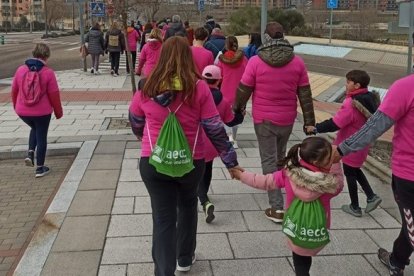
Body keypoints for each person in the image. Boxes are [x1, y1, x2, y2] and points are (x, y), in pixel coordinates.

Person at [128, 36, 241, 276]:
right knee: (188, 205)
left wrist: (143, 137)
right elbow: (214, 128)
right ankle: (184, 258)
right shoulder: (198, 87)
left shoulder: (146, 87)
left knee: (163, 217)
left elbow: (136, 121)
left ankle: (164, 270)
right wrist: (230, 161)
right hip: (190, 162)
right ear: (188, 58)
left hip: (153, 162)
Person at [233, 21, 315, 224]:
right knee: (281, 157)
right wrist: (309, 122)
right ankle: (283, 191)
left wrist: (237, 108)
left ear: (266, 38)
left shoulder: (255, 62)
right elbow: (305, 93)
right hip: (287, 119)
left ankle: (278, 207)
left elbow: (244, 88)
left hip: (264, 119)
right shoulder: (297, 62)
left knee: (268, 159)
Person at [335, 73, 414, 276]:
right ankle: (397, 261)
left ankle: (396, 261)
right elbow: (375, 125)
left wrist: (342, 149)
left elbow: (375, 126)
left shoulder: (405, 86)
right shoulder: (406, 87)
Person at [233, 137, 343, 276]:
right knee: (306, 256)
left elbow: (265, 181)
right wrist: (336, 164)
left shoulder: (289, 173)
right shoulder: (328, 183)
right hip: (317, 226)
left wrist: (242, 176)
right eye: (329, 157)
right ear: (316, 162)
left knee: (299, 257)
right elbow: (339, 185)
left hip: (295, 225)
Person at [306, 70, 382, 217]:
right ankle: (371, 196)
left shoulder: (352, 103)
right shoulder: (369, 98)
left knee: (350, 174)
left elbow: (336, 123)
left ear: (357, 85)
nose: (345, 84)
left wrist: (316, 128)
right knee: (355, 170)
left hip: (350, 144)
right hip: (362, 143)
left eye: (348, 82)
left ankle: (355, 206)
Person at [198, 65, 244, 223]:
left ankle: (204, 200)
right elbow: (230, 121)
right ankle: (204, 196)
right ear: (219, 81)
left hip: (195, 141)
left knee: (196, 172)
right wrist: (240, 116)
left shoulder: (195, 95)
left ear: (202, 79)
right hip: (213, 143)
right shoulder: (222, 101)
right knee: (207, 169)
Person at [11, 43, 63, 177]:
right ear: (46, 56)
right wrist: (58, 112)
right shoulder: (48, 72)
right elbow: (54, 95)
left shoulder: (20, 70)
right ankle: (40, 168)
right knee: (41, 136)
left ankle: (30, 153)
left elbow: (14, 90)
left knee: (34, 128)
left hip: (23, 111)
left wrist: (15, 106)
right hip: (42, 112)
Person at [217, 36, 248, 149]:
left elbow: (219, 75)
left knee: (226, 116)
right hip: (240, 92)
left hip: (225, 90)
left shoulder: (223, 59)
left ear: (226, 45)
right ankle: (234, 138)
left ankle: (228, 136)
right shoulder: (244, 59)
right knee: (238, 116)